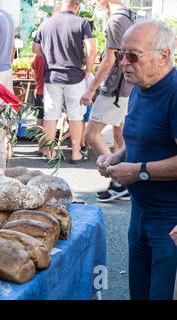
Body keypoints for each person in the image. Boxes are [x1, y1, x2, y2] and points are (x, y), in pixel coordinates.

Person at [96, 20, 177, 300]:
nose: (123, 63)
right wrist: (116, 157)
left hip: (169, 220)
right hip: (140, 213)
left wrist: (138, 172)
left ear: (163, 56)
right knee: (138, 293)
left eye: (132, 56)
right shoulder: (142, 87)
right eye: (120, 54)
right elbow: (141, 141)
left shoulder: (174, 94)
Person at [80, 0, 134, 202]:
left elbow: (111, 58)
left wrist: (92, 88)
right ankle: (124, 182)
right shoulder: (129, 15)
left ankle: (119, 181)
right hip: (127, 86)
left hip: (115, 88)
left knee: (91, 134)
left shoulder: (115, 19)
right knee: (120, 134)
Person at [32, 0, 96, 163]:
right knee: (75, 114)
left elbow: (35, 49)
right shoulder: (81, 23)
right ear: (77, 6)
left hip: (51, 77)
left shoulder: (45, 24)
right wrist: (88, 71)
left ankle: (50, 153)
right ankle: (76, 153)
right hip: (75, 77)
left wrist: (51, 54)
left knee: (50, 115)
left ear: (61, 5)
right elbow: (91, 49)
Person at [31, 53, 45, 157]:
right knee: (49, 121)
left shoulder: (37, 56)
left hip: (38, 91)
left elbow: (34, 74)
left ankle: (40, 147)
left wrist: (38, 83)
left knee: (39, 119)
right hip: (49, 92)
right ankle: (47, 148)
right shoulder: (51, 54)